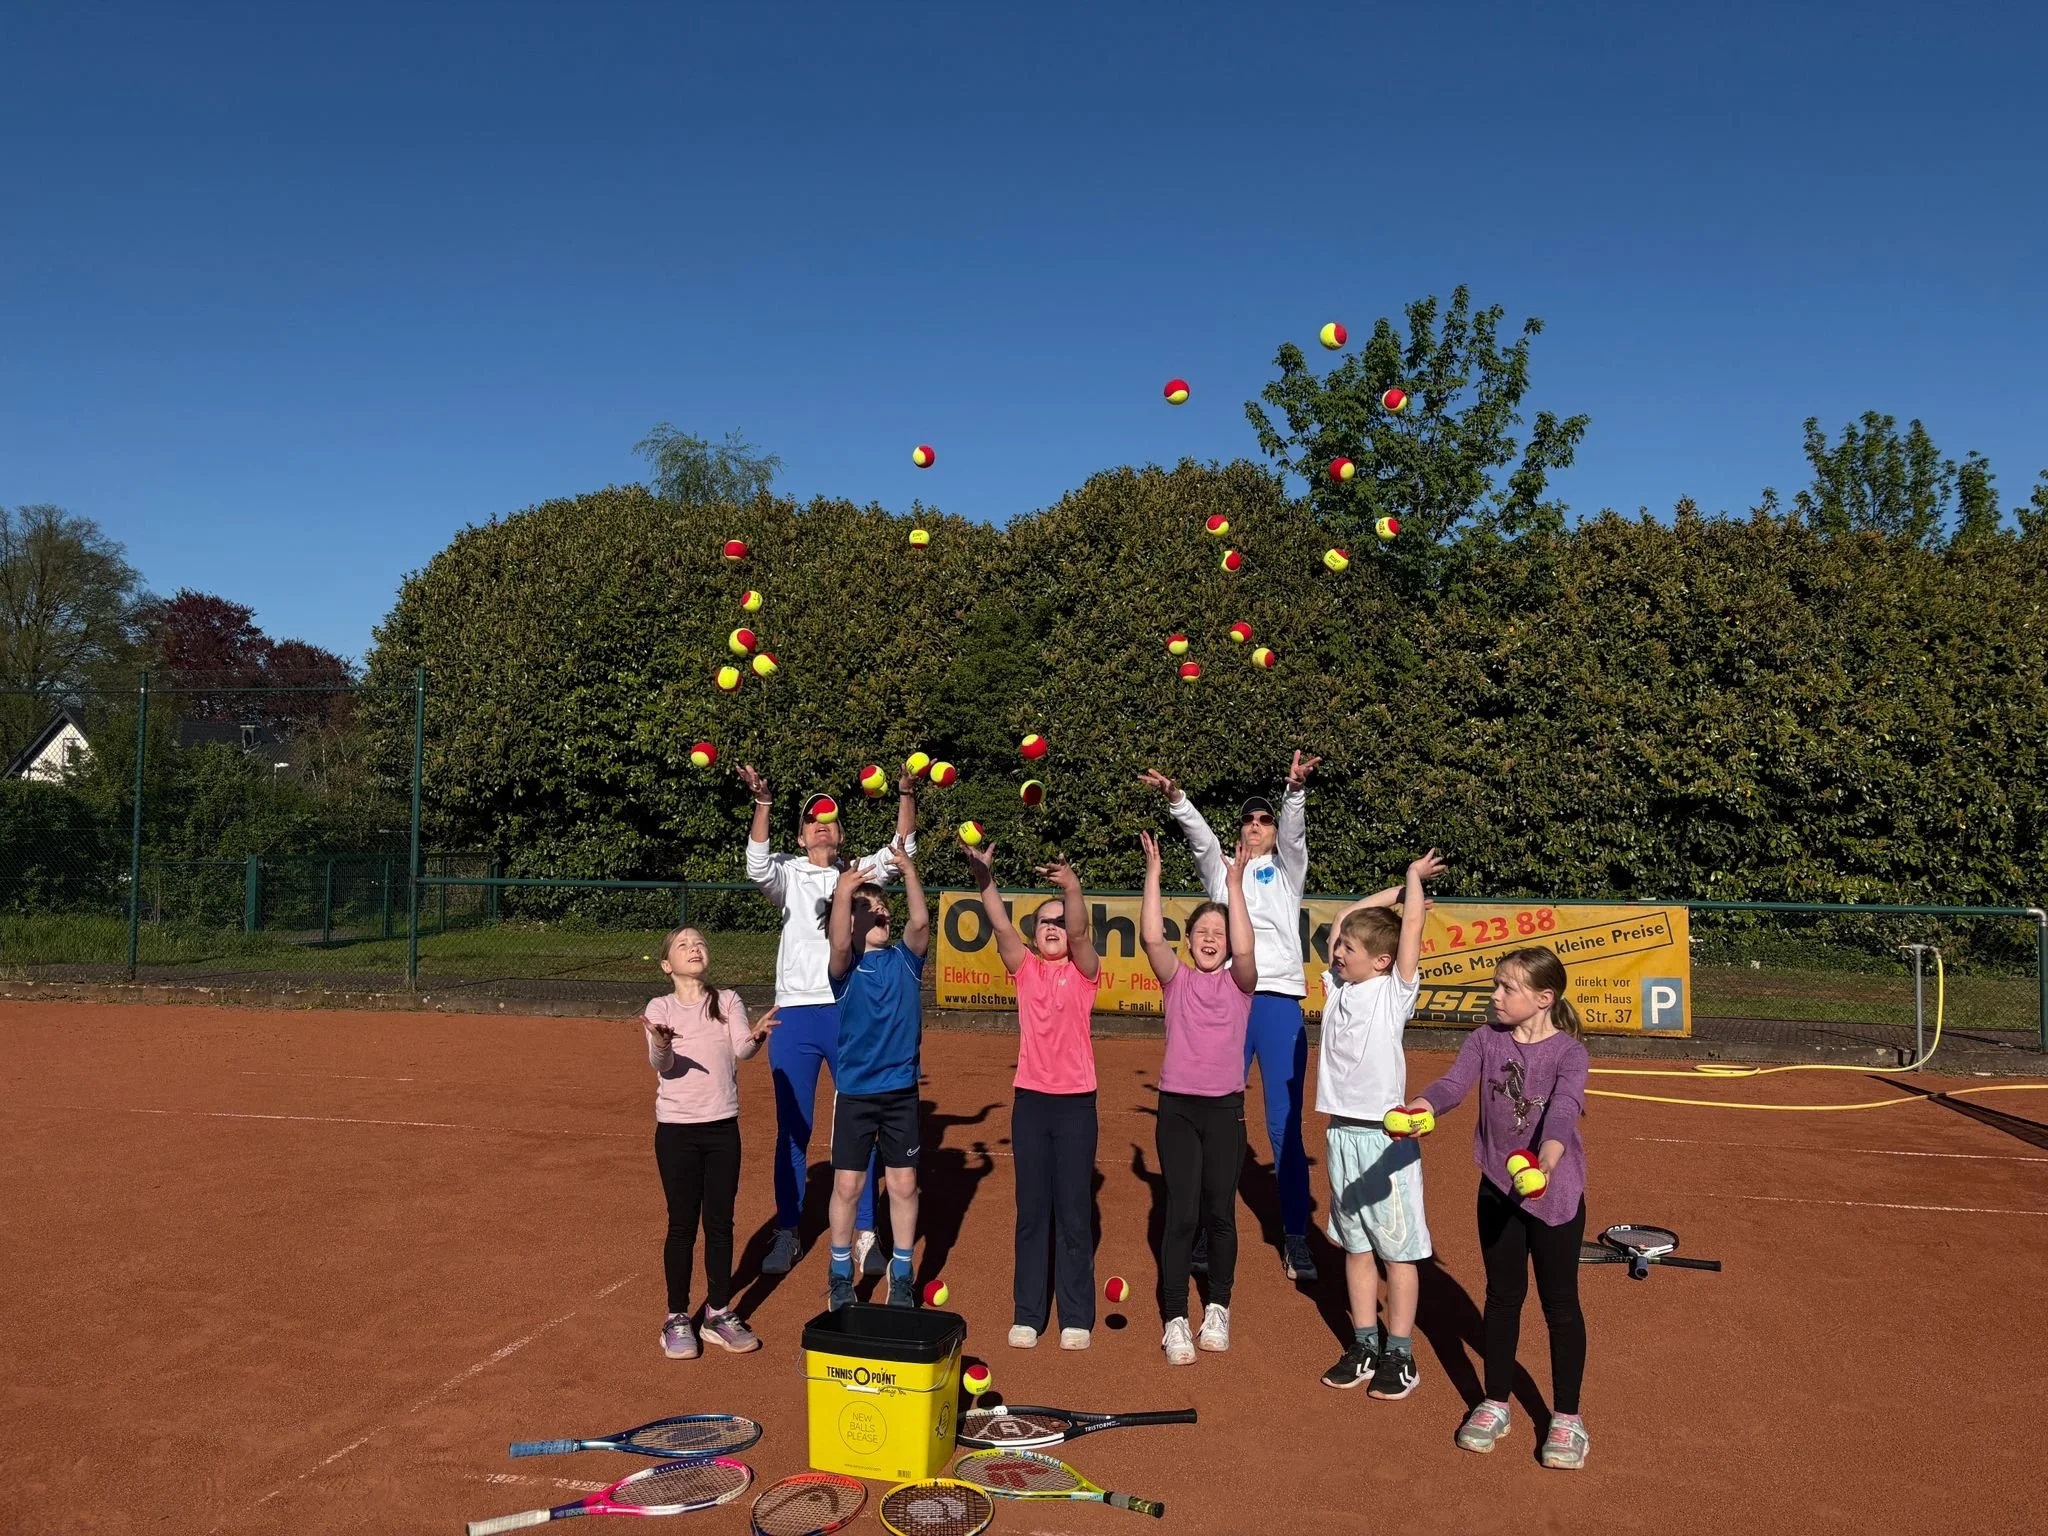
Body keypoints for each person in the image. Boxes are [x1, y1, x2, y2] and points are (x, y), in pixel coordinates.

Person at [1400, 945, 1592, 1470]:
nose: (1496, 995)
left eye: (1508, 987)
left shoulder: (1570, 1054)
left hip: (1553, 1195)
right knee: (1503, 1299)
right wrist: (1420, 1106)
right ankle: (1495, 1402)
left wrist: (1544, 1165)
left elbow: (1562, 1116)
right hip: (1497, 1190)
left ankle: (1568, 1418)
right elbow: (1454, 1085)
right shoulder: (1486, 1040)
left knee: (1560, 1306)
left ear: (1543, 998)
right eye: (1497, 985)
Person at [1141, 750, 1322, 1282]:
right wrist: (1176, 797)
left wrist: (1293, 792)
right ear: (1241, 828)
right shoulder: (1222, 875)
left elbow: (1294, 835)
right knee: (1214, 1115)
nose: (1259, 825)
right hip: (1226, 1005)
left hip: (1277, 1002)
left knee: (1283, 1125)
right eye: (1251, 818)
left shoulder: (1288, 870)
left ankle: (1295, 1237)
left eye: (1265, 819)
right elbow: (1201, 838)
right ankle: (1200, 1230)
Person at [740, 764, 916, 1278]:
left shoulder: (856, 871)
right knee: (793, 1129)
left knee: (856, 1130)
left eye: (831, 819)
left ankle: (864, 1233)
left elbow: (904, 846)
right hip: (794, 1013)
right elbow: (755, 864)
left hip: (848, 1011)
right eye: (813, 819)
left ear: (840, 834)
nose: (822, 824)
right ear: (799, 834)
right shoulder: (787, 872)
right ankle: (789, 1231)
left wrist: (905, 793)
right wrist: (764, 803)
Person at [1314, 849, 1447, 1401]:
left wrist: (1412, 884)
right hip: (1342, 1134)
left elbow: (1412, 927)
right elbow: (1343, 918)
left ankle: (1400, 1352)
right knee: (1356, 1247)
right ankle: (1364, 1342)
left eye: (1350, 950)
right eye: (1340, 949)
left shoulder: (1394, 995)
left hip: (1385, 1139)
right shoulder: (1338, 989)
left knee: (1398, 1252)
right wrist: (1386, 896)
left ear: (1384, 961)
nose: (1339, 951)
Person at [962, 837, 1103, 1351]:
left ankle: (1076, 1316)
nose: (1054, 927)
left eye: (1060, 920)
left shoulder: (1085, 972)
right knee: (1031, 1210)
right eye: (1046, 921)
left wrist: (1072, 890)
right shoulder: (1024, 970)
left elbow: (1083, 930)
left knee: (1072, 1211)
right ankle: (1028, 1312)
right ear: (1035, 933)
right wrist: (984, 878)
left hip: (1076, 1105)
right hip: (1031, 1103)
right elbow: (1000, 925)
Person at [1139, 827, 1257, 1366]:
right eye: (1202, 931)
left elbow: (1248, 944)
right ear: (1189, 941)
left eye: (1219, 932)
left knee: (1220, 1214)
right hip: (1178, 1110)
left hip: (1225, 1110)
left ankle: (1220, 1308)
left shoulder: (1241, 983)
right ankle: (1175, 1318)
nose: (1211, 937)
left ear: (1229, 942)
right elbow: (1149, 939)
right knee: (1181, 1213)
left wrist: (1234, 886)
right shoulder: (1176, 980)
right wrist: (1155, 874)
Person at [643, 926, 778, 1359]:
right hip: (676, 1131)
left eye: (698, 943)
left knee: (720, 1223)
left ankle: (718, 1314)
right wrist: (662, 1043)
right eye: (682, 945)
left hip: (722, 1129)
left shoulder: (729, 1000)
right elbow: (660, 1063)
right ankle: (677, 1318)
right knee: (682, 1224)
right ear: (667, 965)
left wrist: (756, 1038)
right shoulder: (660, 1007)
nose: (693, 948)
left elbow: (742, 1049)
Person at [824, 834, 931, 1310]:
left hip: (900, 1095)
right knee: (848, 1185)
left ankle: (902, 1273)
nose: (880, 914)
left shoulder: (907, 961)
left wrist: (907, 872)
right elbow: (839, 938)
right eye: (869, 911)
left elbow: (922, 920)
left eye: (883, 909)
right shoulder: (844, 969)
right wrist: (846, 891)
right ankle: (841, 1271)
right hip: (857, 1096)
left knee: (904, 1185)